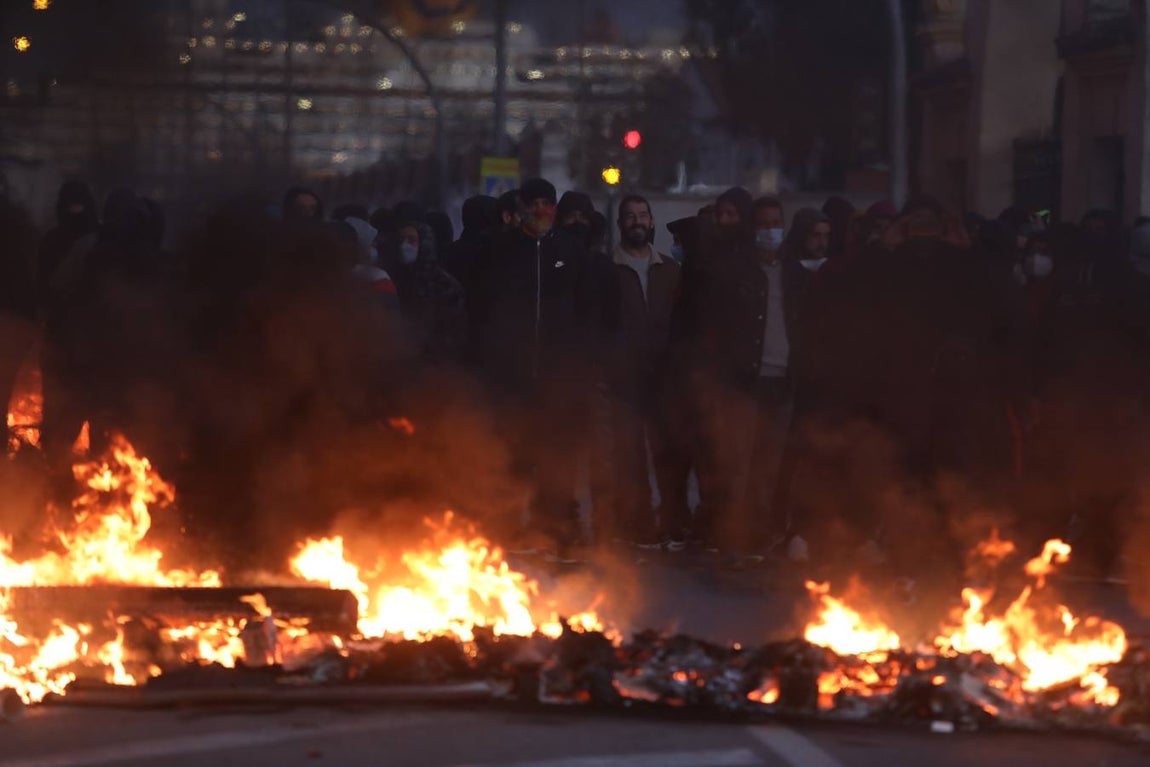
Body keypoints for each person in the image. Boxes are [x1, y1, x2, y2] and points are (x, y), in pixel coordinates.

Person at [473, 179, 598, 555]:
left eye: (548, 202)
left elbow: (585, 309)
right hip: (512, 375)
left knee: (557, 455)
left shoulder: (570, 250)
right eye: (535, 203)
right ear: (521, 208)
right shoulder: (501, 250)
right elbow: (485, 306)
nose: (542, 210)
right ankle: (510, 528)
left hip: (558, 376)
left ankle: (555, 529)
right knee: (514, 454)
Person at [602, 194, 686, 548]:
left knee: (669, 453)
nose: (637, 221)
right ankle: (639, 524)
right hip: (625, 377)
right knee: (630, 454)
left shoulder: (669, 269)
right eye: (630, 216)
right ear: (620, 223)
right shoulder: (608, 270)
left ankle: (673, 523)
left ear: (651, 221)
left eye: (642, 215)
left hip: (664, 375)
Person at [380, 218, 465, 363]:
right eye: (401, 240)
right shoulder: (391, 279)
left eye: (411, 240)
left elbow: (455, 330)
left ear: (425, 244)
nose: (404, 245)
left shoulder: (444, 284)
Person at [37, 181, 99, 310]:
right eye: (71, 205)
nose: (75, 210)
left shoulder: (51, 239)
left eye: (78, 205)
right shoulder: (101, 236)